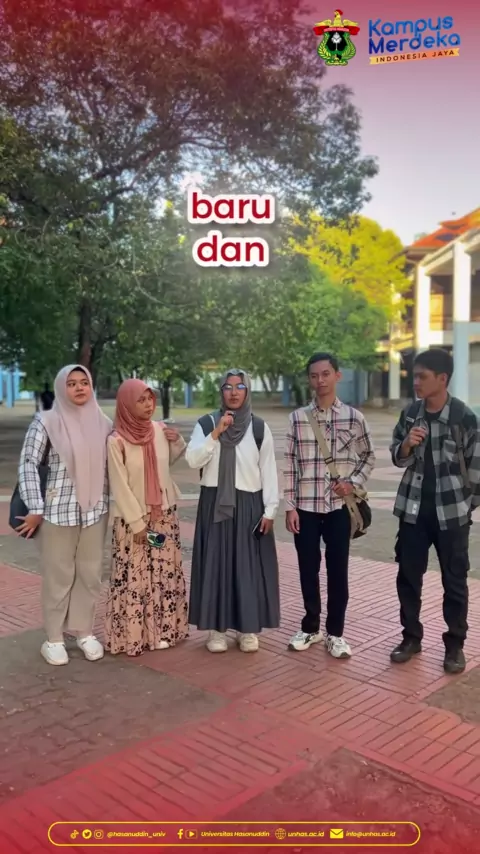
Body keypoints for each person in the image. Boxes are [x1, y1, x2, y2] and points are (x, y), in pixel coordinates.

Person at [390, 348, 480, 675]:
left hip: (451, 517)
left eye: (422, 377)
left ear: (442, 379)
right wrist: (406, 445)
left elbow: (476, 469)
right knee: (408, 578)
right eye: (414, 376)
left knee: (454, 581)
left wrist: (464, 507)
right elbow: (397, 456)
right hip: (413, 512)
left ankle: (455, 645)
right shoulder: (410, 414)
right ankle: (411, 638)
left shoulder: (463, 417)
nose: (415, 382)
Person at [17, 365, 112, 666]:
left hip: (95, 510)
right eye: (72, 383)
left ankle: (84, 632)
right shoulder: (46, 421)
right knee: (59, 577)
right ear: (61, 388)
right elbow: (29, 464)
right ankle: (54, 638)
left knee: (90, 575)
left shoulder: (103, 423)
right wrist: (35, 507)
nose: (79, 388)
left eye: (84, 382)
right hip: (57, 512)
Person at [284, 352, 375, 658]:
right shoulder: (297, 418)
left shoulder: (354, 417)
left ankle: (335, 633)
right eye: (314, 376)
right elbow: (290, 464)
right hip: (306, 507)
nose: (320, 381)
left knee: (338, 571)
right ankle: (311, 627)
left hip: (338, 509)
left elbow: (369, 456)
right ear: (309, 379)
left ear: (337, 375)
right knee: (307, 570)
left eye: (325, 374)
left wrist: (353, 482)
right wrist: (290, 506)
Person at [185, 369, 280, 653]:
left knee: (246, 568)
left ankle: (246, 629)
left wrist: (270, 510)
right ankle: (216, 630)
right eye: (228, 387)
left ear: (247, 391)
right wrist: (216, 433)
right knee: (215, 565)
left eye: (240, 387)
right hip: (214, 503)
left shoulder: (259, 428)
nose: (234, 392)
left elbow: (268, 470)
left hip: (249, 504)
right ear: (221, 391)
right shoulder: (206, 423)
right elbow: (193, 459)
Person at [104, 378, 188, 656]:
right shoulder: (116, 440)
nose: (148, 404)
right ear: (127, 404)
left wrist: (178, 442)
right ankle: (135, 636)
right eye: (141, 400)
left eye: (150, 398)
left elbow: (166, 463)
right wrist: (137, 523)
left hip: (163, 514)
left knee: (164, 574)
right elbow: (119, 485)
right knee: (136, 578)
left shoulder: (159, 430)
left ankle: (164, 631)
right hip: (134, 522)